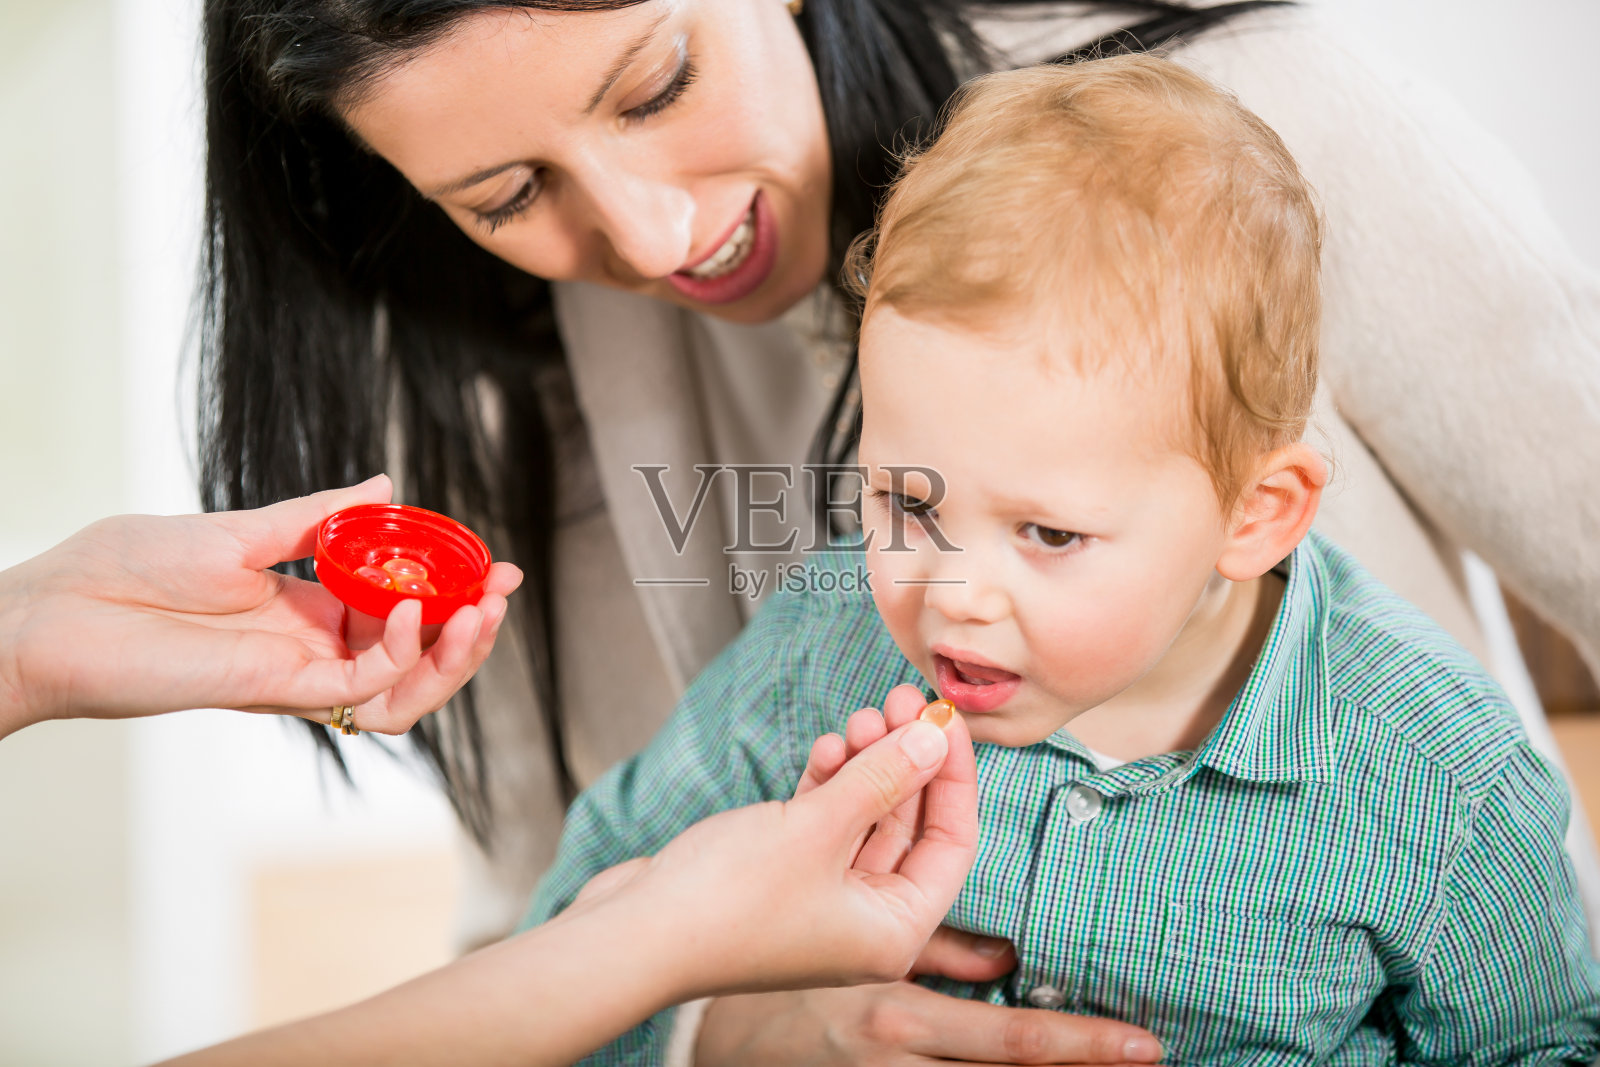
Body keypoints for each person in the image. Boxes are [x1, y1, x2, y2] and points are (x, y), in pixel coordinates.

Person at [205, 0, 1600, 1055]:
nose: (651, 233)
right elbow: (542, 953)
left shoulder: (1262, 124)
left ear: (1264, 510)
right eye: (506, 195)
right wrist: (752, 1027)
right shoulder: (540, 412)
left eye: (658, 84)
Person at [1, 489, 1145, 1062]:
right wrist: (663, 957)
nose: (954, 592)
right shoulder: (812, 644)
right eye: (902, 503)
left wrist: (27, 635)